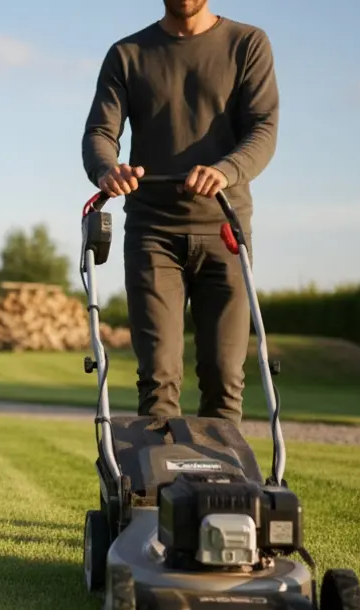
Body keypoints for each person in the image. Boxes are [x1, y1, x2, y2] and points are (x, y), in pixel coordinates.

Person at [82, 0, 278, 426]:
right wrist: (107, 170)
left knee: (224, 378)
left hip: (225, 231)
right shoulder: (128, 54)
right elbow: (100, 131)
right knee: (158, 379)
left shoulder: (247, 44)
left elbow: (263, 129)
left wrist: (225, 171)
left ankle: (221, 469)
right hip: (153, 233)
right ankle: (160, 471)